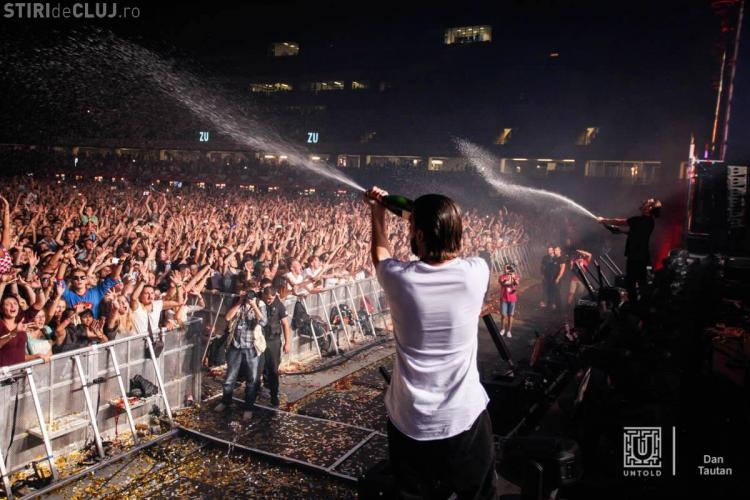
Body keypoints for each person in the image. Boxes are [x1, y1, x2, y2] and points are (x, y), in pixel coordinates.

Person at [366, 186, 496, 499]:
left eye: (412, 227)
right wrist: (427, 218)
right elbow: (451, 247)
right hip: (464, 416)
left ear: (421, 235)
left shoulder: (400, 278)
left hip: (411, 420)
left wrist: (378, 211)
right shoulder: (477, 272)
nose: (409, 231)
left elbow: (380, 254)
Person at [214, 290, 267, 422]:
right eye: (247, 292)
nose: (249, 295)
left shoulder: (260, 303)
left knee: (252, 379)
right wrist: (239, 302)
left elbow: (263, 322)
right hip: (235, 345)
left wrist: (253, 305)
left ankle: (248, 408)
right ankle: (225, 401)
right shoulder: (237, 302)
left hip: (251, 346)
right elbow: (227, 318)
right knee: (230, 377)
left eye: (252, 292)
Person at [597, 198, 661, 303]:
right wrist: (621, 232)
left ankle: (635, 306)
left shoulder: (639, 220)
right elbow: (636, 234)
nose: (644, 202)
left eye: (647, 202)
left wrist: (603, 220)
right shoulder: (649, 221)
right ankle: (642, 305)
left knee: (632, 283)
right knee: (640, 282)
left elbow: (620, 222)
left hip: (636, 257)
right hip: (641, 256)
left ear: (650, 208)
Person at [258, 285, 292, 407]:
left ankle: (274, 395)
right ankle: (258, 391)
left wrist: (287, 343)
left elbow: (285, 324)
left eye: (271, 299)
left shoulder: (279, 306)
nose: (269, 301)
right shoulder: (259, 303)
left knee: (273, 369)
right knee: (258, 368)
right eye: (267, 298)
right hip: (260, 340)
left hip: (273, 341)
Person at [499, 264, 519, 338]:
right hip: (504, 298)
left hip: (512, 298)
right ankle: (503, 329)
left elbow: (517, 283)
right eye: (505, 268)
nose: (506, 269)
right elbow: (503, 283)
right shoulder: (502, 277)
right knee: (503, 315)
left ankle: (509, 331)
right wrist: (509, 278)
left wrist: (513, 277)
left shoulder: (515, 276)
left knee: (510, 315)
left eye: (508, 268)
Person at [551, 246, 566, 310]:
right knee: (553, 290)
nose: (555, 251)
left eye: (557, 250)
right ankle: (554, 304)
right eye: (555, 250)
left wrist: (558, 278)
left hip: (558, 278)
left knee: (557, 291)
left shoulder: (561, 259)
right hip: (553, 277)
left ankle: (559, 306)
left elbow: (562, 270)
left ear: (560, 251)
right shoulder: (555, 258)